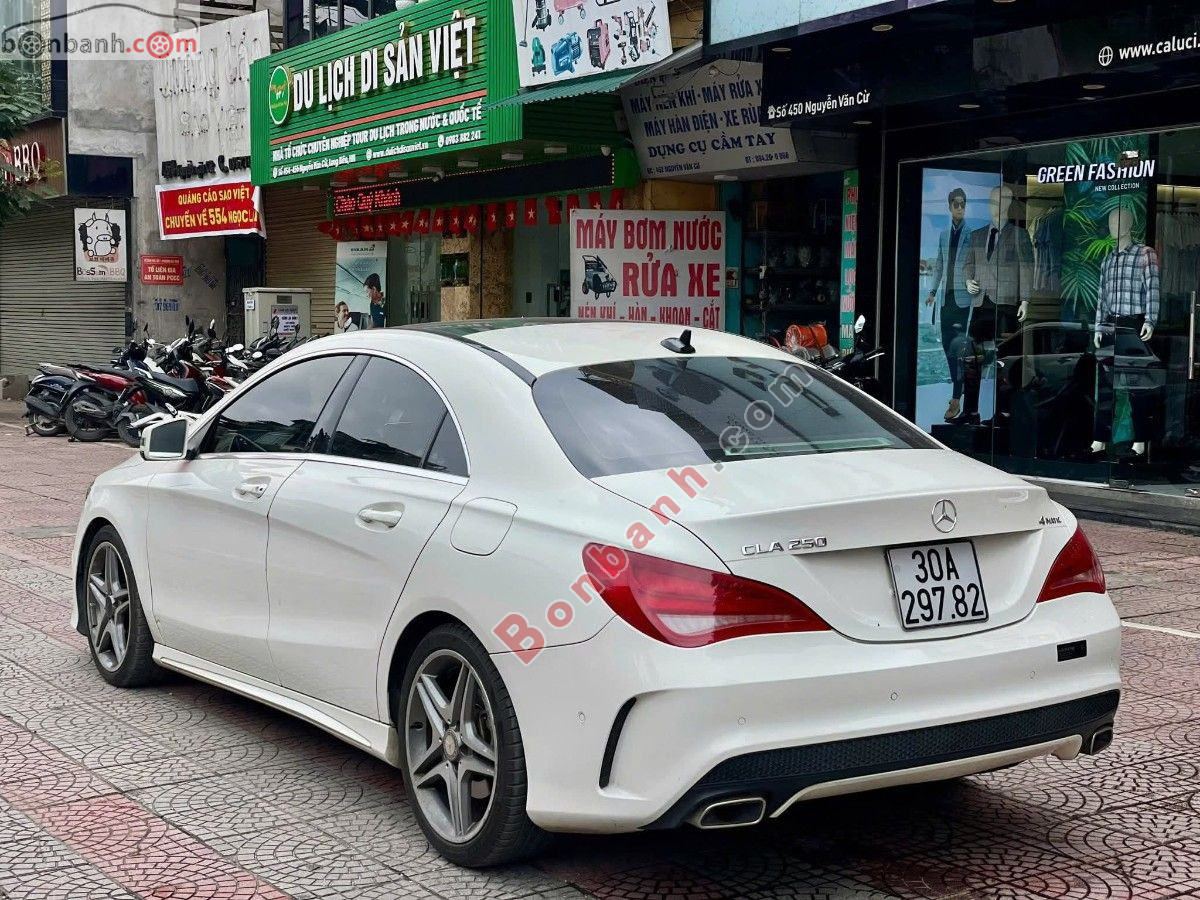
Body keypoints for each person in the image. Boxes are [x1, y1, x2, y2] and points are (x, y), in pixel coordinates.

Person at [925, 188, 971, 421]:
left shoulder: (972, 234)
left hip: (963, 298)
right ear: (949, 206)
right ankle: (958, 385)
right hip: (946, 298)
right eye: (956, 203)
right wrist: (932, 291)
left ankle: (956, 397)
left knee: (958, 348)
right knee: (946, 345)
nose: (959, 207)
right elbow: (940, 266)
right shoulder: (944, 235)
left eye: (963, 204)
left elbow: (976, 263)